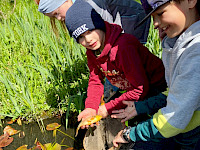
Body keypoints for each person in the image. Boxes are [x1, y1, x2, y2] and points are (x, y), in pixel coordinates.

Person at [64, 0, 167, 149]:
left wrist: (106, 108)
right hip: (138, 89)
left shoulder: (123, 47)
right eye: (80, 37)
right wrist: (91, 107)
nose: (87, 40)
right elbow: (95, 80)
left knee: (157, 132)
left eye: (90, 31)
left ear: (98, 24)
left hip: (158, 88)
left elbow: (140, 88)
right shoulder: (93, 52)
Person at [112, 0, 200, 149]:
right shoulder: (181, 42)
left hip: (192, 133)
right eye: (153, 17)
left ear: (190, 1)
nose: (155, 24)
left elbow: (174, 116)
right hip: (184, 127)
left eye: (160, 14)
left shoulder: (195, 52)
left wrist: (130, 134)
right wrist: (141, 107)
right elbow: (174, 91)